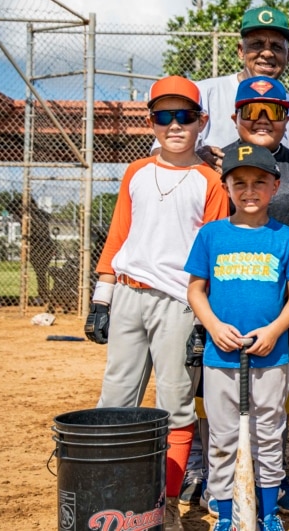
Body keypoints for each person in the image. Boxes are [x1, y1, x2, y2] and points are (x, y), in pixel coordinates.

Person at [88, 76, 231, 531]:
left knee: (176, 403)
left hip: (179, 303)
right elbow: (118, 235)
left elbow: (212, 255)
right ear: (151, 123)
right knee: (116, 397)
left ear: (201, 121)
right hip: (130, 293)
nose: (174, 125)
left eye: (185, 116)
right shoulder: (136, 172)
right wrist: (102, 296)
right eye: (163, 116)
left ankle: (165, 503)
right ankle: (108, 490)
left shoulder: (210, 181)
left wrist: (204, 319)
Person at [185, 143, 289, 531]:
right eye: (240, 182)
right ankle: (226, 514)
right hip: (221, 356)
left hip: (271, 355)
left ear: (275, 186)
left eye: (259, 182)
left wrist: (274, 330)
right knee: (222, 439)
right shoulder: (211, 235)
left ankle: (268, 512)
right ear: (227, 187)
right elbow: (195, 290)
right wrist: (214, 326)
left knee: (269, 435)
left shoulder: (285, 237)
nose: (249, 190)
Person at [228, 76, 289, 516]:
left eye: (275, 111)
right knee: (221, 398)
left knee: (274, 399)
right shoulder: (222, 167)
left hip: (287, 304)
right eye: (252, 110)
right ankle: (218, 480)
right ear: (236, 117)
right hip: (226, 304)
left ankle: (274, 480)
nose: (263, 119)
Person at [193, 7, 289, 163]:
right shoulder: (203, 93)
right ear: (241, 51)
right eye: (257, 44)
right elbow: (162, 153)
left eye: (276, 47)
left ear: (288, 56)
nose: (267, 53)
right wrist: (195, 158)